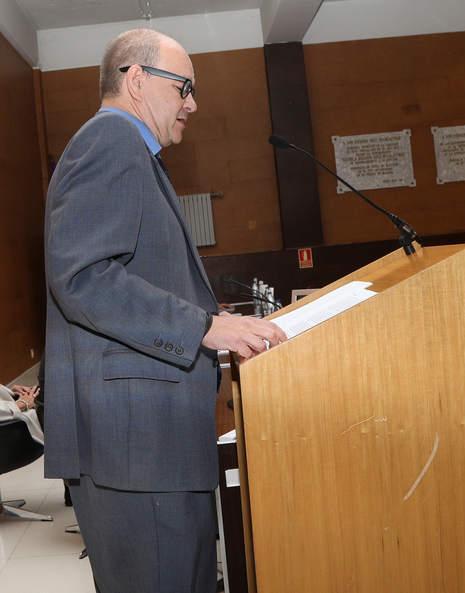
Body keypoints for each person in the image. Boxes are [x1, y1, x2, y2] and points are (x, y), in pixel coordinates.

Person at [43, 29, 286, 593]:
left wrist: (208, 312)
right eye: (184, 87)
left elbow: (126, 273)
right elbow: (83, 277)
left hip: (149, 445)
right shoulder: (110, 141)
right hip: (138, 449)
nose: (192, 104)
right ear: (135, 79)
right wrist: (202, 326)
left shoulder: (125, 148)